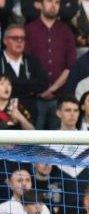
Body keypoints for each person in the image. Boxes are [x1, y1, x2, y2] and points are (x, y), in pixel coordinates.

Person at [25, 0, 77, 128]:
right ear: (40, 4)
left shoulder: (66, 31)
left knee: (57, 143)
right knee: (34, 142)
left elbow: (70, 66)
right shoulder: (29, 29)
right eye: (49, 1)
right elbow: (26, 63)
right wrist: (39, 89)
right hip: (34, 97)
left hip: (60, 97)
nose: (53, 5)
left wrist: (52, 89)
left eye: (57, 2)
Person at [0, 25, 50, 127]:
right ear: (5, 40)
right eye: (15, 38)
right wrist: (28, 87)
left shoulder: (32, 61)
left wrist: (13, 84)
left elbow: (43, 83)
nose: (19, 41)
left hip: (30, 110)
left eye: (22, 38)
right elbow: (34, 85)